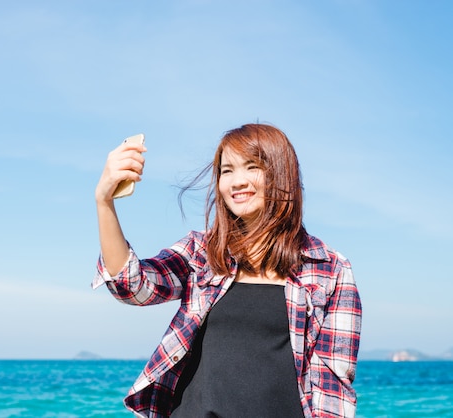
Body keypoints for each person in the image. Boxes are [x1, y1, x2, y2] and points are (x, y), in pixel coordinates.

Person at [92, 123, 362, 418]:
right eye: (227, 170)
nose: (237, 181)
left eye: (252, 167)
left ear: (281, 173)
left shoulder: (329, 268)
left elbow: (331, 389)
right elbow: (132, 287)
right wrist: (104, 202)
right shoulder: (202, 252)